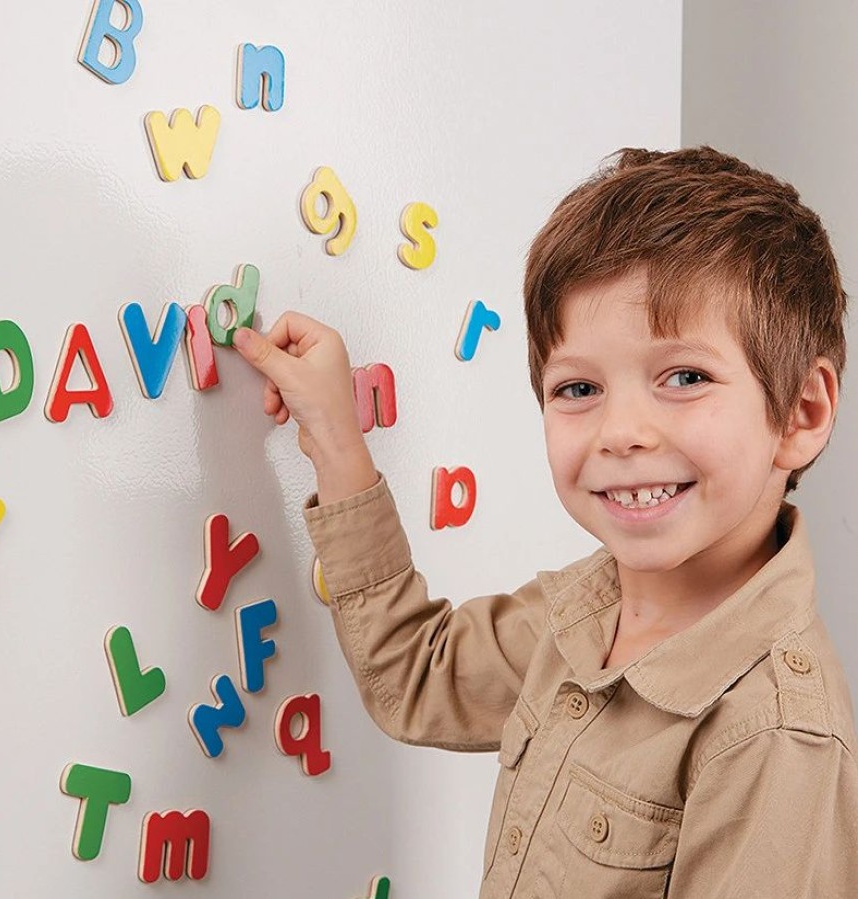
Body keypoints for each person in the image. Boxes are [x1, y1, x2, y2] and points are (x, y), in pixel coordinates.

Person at [232, 146, 858, 897]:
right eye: (578, 387)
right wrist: (334, 438)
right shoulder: (586, 611)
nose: (620, 430)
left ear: (802, 411)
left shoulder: (774, 736)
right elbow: (415, 673)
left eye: (684, 377)